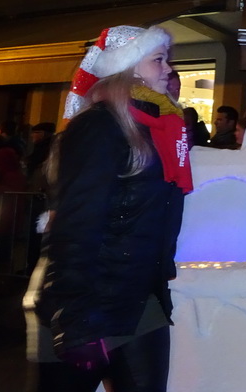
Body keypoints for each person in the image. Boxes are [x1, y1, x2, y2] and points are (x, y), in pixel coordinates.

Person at [26, 24, 191, 392]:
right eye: (159, 60)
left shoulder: (157, 128)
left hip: (139, 300)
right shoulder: (100, 127)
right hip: (87, 304)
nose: (168, 70)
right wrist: (76, 319)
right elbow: (75, 226)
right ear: (127, 68)